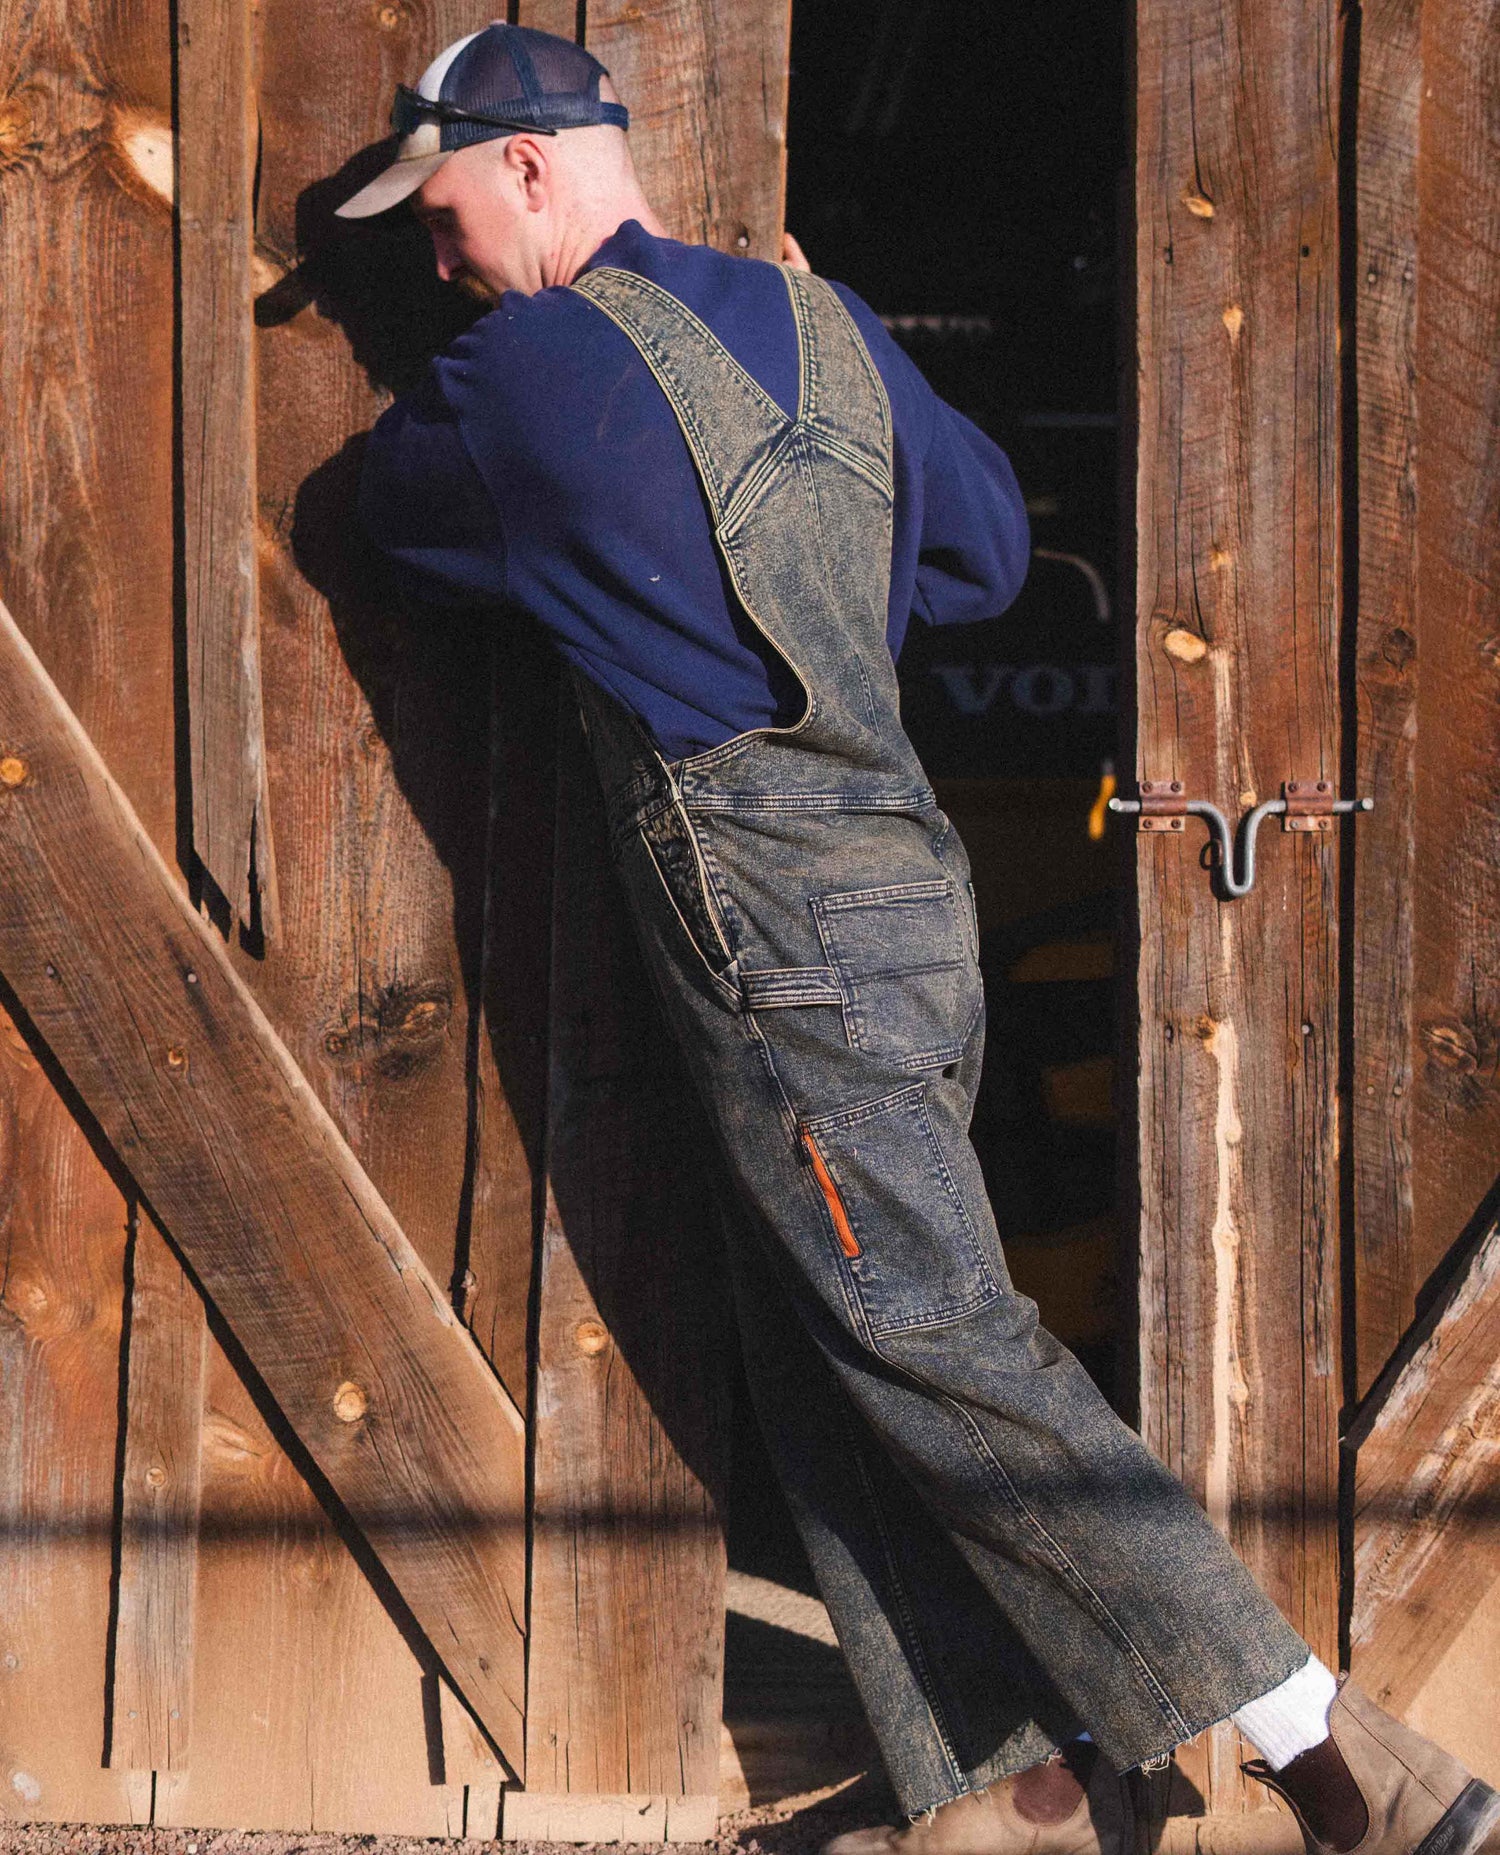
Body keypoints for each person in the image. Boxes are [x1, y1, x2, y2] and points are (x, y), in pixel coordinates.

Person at [341, 25, 1500, 1855]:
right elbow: (976, 556)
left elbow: (363, 522)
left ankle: (1325, 1739)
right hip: (908, 885)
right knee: (835, 1337)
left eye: (445, 205)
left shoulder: (522, 379)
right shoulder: (826, 330)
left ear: (539, 165)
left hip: (768, 922)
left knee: (929, 1332)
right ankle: (1016, 1795)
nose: (436, 253)